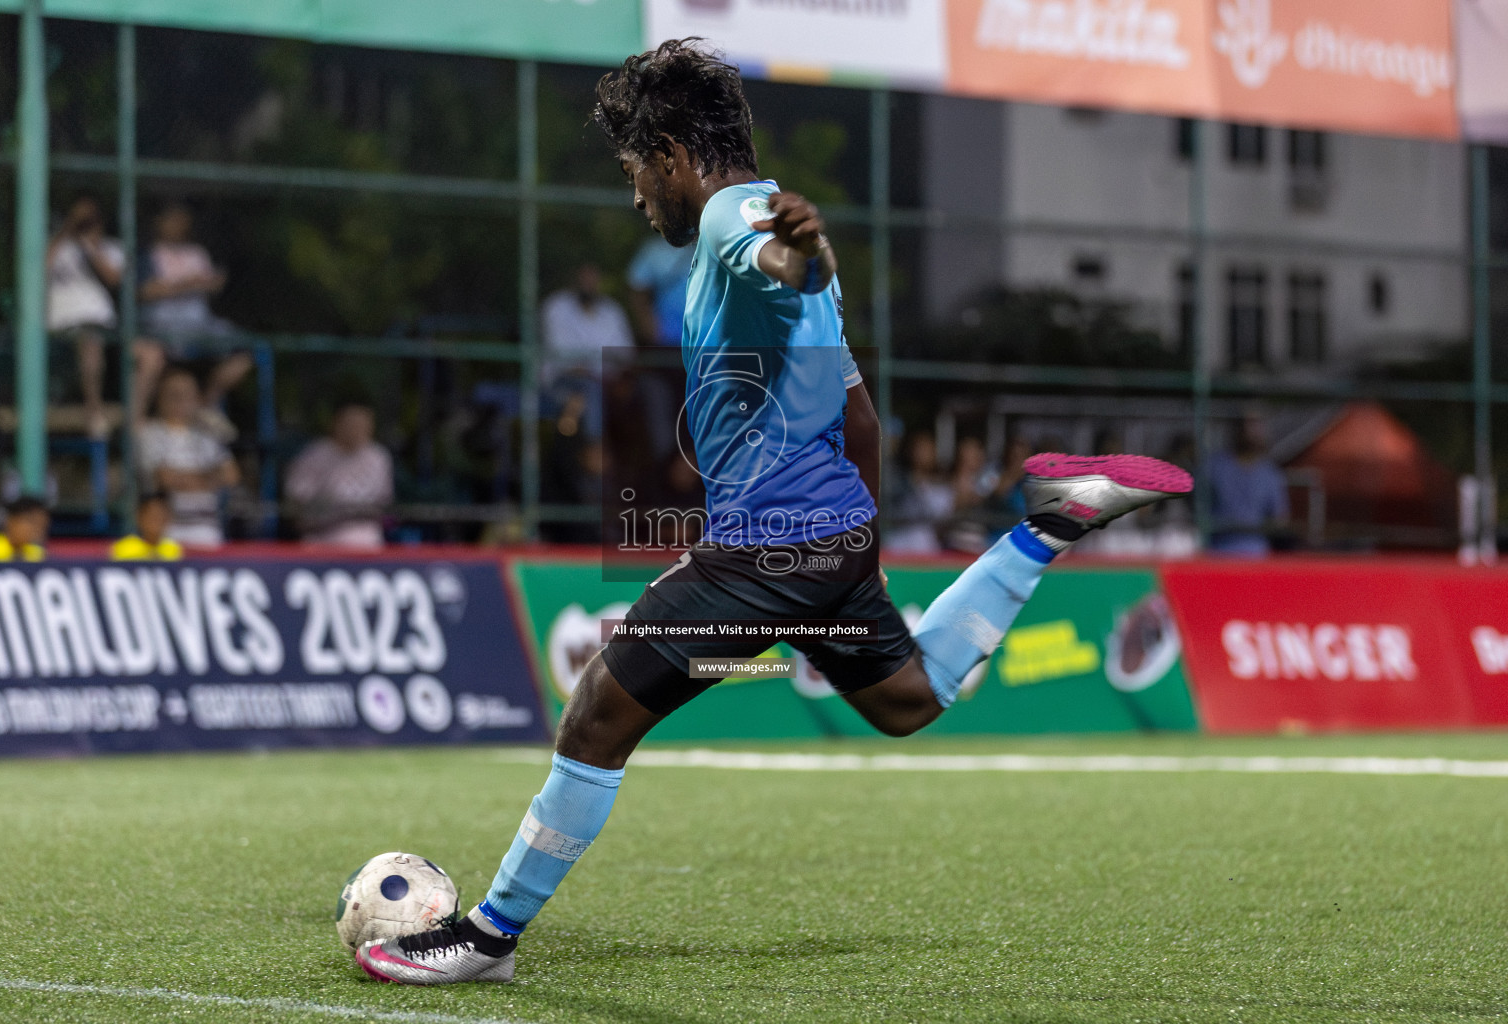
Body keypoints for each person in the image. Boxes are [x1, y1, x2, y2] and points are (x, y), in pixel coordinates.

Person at [353, 39, 1192, 985]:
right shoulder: (788, 259)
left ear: (671, 151)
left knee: (594, 717)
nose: (638, 198)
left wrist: (795, 250)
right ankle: (1046, 523)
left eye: (636, 171)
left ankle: (489, 938)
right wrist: (858, 553)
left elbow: (766, 254)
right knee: (909, 699)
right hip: (826, 539)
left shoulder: (728, 215)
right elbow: (861, 414)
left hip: (762, 551)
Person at [46, 196, 165, 437]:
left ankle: (135, 420)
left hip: (105, 325)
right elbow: (39, 270)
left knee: (151, 354)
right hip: (63, 326)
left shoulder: (112, 247)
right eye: (79, 218)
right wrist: (67, 231)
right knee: (91, 341)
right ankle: (93, 410)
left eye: (89, 219)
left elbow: (113, 279)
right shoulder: (57, 246)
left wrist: (88, 245)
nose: (84, 223)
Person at [139, 201, 252, 439]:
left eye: (181, 220)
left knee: (244, 352)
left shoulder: (197, 253)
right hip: (162, 323)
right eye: (172, 219)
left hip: (200, 323)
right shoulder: (149, 255)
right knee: (151, 356)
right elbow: (144, 292)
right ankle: (138, 419)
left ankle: (206, 404)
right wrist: (186, 285)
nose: (177, 225)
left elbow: (213, 284)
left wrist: (211, 283)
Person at [136, 366, 240, 548]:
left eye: (187, 395)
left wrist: (184, 478)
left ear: (197, 399)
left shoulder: (207, 434)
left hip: (209, 532)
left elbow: (231, 476)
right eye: (174, 395)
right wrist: (208, 478)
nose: (181, 401)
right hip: (168, 534)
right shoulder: (150, 434)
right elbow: (164, 478)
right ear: (161, 397)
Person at [539, 263, 634, 437]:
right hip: (561, 382)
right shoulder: (557, 306)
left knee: (644, 392)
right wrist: (599, 369)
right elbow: (566, 361)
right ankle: (594, 450)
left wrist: (608, 374)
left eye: (593, 277)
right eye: (584, 277)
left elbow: (626, 356)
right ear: (574, 279)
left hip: (608, 382)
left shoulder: (612, 311)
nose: (588, 282)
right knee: (589, 391)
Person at [284, 398, 393, 549]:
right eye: (352, 423)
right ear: (336, 423)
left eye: (363, 423)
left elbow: (384, 503)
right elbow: (296, 503)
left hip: (367, 540)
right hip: (322, 538)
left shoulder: (379, 457)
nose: (358, 429)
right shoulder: (313, 455)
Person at [1206, 415, 1289, 557]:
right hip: (1217, 553)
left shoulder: (1270, 473)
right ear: (1237, 430)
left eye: (1258, 426)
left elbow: (1280, 519)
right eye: (1249, 426)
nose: (1254, 433)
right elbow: (1194, 507)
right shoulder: (1213, 466)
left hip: (1256, 554)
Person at [110, 492, 184, 561]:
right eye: (151, 516)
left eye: (160, 516)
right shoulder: (123, 548)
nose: (156, 521)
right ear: (139, 517)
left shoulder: (174, 549)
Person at [0, 496, 48, 562]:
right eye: (32, 523)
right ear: (11, 521)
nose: (35, 530)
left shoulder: (37, 553)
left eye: (40, 525)